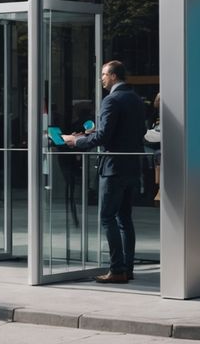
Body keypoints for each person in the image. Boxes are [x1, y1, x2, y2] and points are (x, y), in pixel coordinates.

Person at [63, 60, 146, 283]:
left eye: (104, 74)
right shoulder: (136, 100)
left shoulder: (111, 100)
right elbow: (132, 131)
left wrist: (76, 142)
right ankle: (127, 268)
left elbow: (105, 138)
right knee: (125, 219)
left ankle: (117, 270)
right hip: (131, 167)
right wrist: (90, 133)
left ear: (114, 76)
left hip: (113, 169)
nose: (101, 78)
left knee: (107, 217)